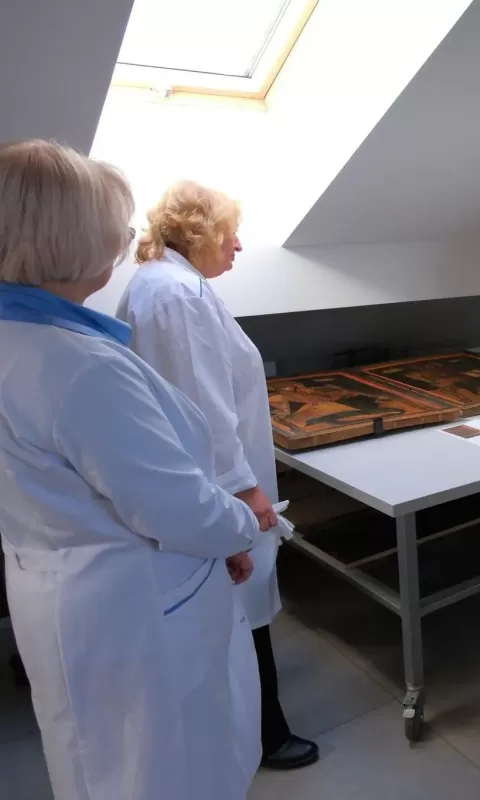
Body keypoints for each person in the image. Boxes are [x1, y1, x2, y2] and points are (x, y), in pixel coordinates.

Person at [0, 139, 278, 799]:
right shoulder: (76, 365)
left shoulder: (23, 340)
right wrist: (243, 524)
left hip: (67, 589)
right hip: (136, 606)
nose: (125, 240)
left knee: (99, 764)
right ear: (73, 239)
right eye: (114, 226)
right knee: (164, 769)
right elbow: (173, 504)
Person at [116, 181, 319, 770]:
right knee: (240, 601)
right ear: (200, 233)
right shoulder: (176, 295)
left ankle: (257, 723)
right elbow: (200, 405)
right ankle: (266, 734)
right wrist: (245, 489)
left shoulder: (169, 285)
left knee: (236, 606)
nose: (238, 245)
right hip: (215, 484)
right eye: (230, 233)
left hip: (203, 482)